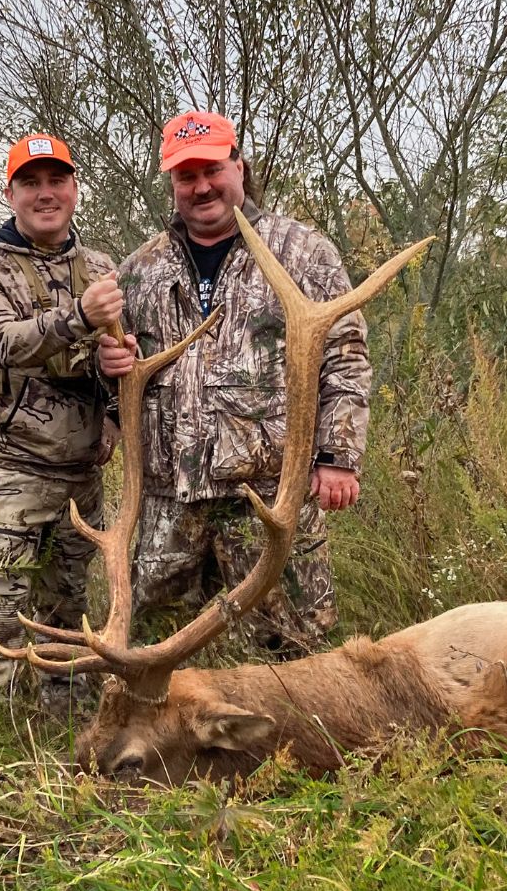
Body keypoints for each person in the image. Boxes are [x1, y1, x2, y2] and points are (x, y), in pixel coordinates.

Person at [98, 110, 371, 658]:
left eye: (212, 170)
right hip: (167, 503)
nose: (201, 186)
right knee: (157, 655)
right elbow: (118, 384)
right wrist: (107, 365)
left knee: (290, 656)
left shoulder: (302, 251)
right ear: (171, 182)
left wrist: (337, 455)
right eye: (186, 176)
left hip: (265, 497)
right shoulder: (138, 270)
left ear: (239, 167)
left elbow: (345, 355)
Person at [0, 132, 122, 708]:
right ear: (11, 194)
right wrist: (80, 317)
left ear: (74, 189)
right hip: (9, 474)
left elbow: (121, 354)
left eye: (56, 180)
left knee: (67, 619)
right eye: (31, 183)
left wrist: (115, 404)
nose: (45, 193)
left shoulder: (100, 267)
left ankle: (66, 735)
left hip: (81, 478)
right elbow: (3, 342)